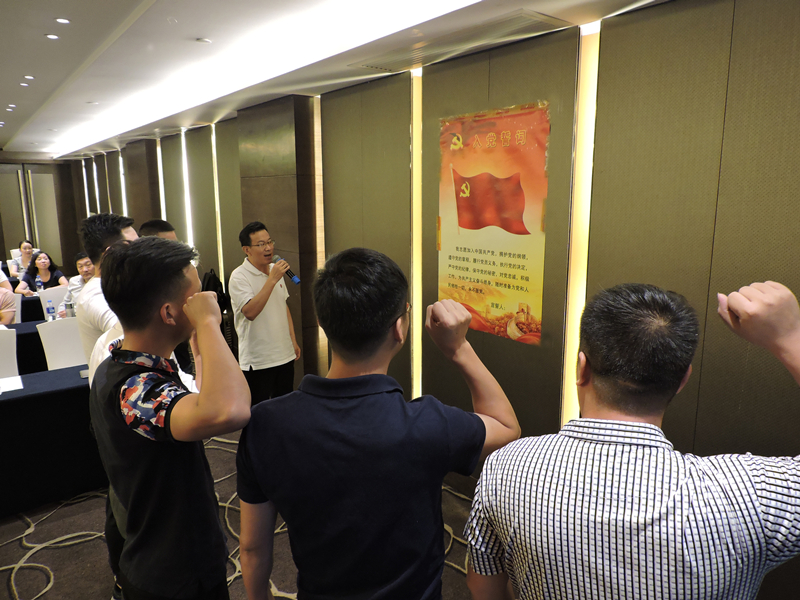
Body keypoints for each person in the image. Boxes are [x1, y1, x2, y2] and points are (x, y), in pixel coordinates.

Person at [465, 281, 800, 600]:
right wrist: (790, 338)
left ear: (581, 369)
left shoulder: (506, 467)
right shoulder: (748, 498)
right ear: (683, 380)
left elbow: (484, 589)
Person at [236, 247, 521, 600]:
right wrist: (458, 348)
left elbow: (252, 549)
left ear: (323, 322)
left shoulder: (266, 424)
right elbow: (505, 426)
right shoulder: (428, 425)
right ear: (400, 328)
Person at [90, 236, 251, 600]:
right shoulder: (135, 389)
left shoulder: (120, 362)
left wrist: (200, 342)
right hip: (172, 572)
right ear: (168, 313)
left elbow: (203, 402)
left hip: (169, 554)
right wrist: (209, 324)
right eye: (195, 298)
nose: (204, 301)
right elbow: (232, 410)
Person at [228, 221, 300, 405]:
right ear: (247, 250)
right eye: (261, 244)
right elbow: (250, 312)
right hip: (258, 360)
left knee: (284, 409)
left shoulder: (274, 270)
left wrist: (292, 340)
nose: (268, 248)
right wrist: (272, 280)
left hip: (284, 355)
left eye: (269, 242)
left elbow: (283, 306)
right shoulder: (239, 276)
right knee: (257, 412)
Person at [76, 213, 138, 362]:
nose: (142, 252)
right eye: (135, 246)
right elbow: (131, 337)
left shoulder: (124, 283)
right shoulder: (96, 296)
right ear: (112, 252)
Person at [57, 252, 94, 317]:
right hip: (72, 319)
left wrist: (72, 312)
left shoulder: (102, 282)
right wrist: (59, 317)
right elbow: (65, 302)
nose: (85, 270)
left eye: (88, 265)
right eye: (80, 267)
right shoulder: (74, 281)